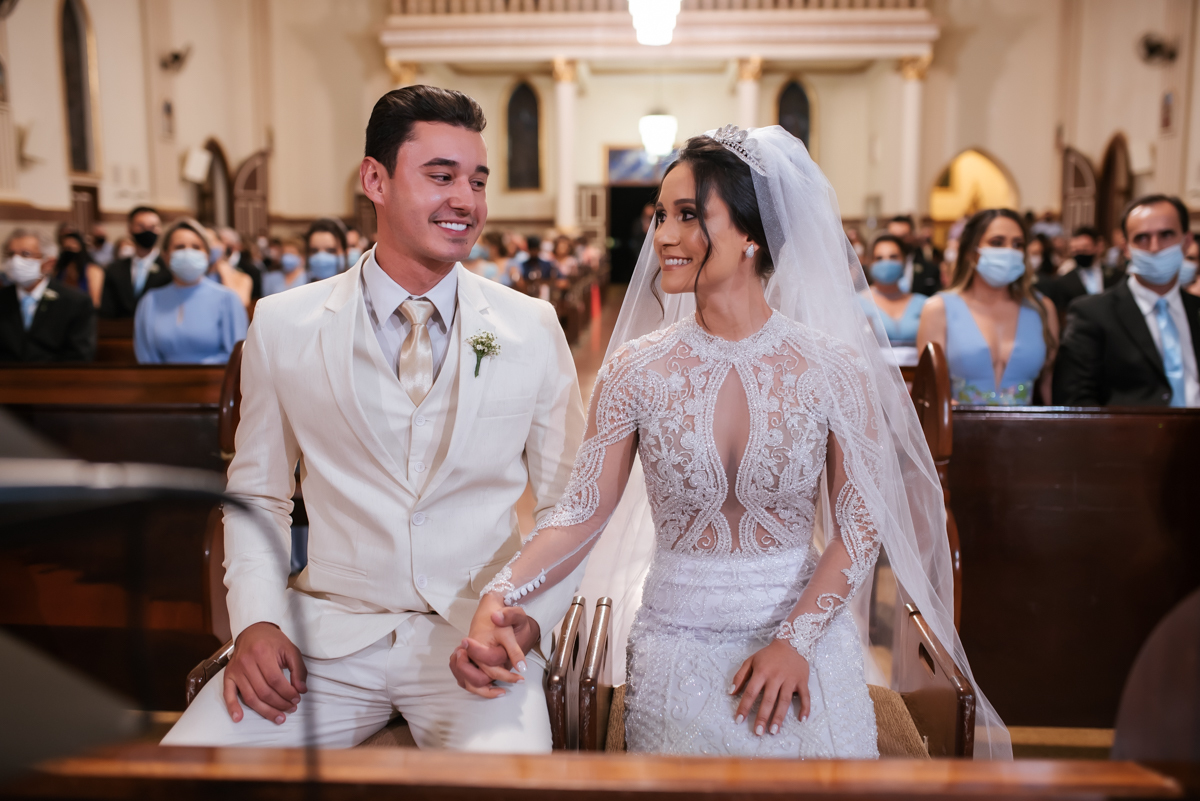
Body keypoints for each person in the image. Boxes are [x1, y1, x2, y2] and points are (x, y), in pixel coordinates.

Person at [453, 125, 1010, 759]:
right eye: (660, 215)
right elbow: (583, 511)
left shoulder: (833, 369)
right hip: (676, 639)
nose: (663, 235)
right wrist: (503, 591)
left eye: (690, 216)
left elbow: (858, 526)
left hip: (805, 629)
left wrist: (795, 642)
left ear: (750, 233)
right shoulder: (635, 368)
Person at [161, 85, 585, 752]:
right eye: (441, 176)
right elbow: (258, 495)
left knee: (508, 789)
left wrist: (527, 620)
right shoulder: (283, 324)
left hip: (473, 640)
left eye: (477, 180)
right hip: (326, 641)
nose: (467, 201)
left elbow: (570, 505)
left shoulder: (530, 327)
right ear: (375, 180)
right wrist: (258, 623)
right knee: (182, 768)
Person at [1054, 195, 1200, 407]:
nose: (1154, 247)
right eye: (1142, 238)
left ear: (1186, 242)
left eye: (1166, 235)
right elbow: (1075, 402)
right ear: (1126, 249)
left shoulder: (1195, 309)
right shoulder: (1092, 314)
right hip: (1128, 437)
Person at [917, 209, 1058, 405]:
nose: (1009, 251)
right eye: (997, 243)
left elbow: (1049, 386)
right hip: (959, 430)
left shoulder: (1042, 308)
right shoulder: (938, 309)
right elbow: (928, 390)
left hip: (1028, 431)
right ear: (970, 252)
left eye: (1018, 244)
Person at [134, 218, 247, 364]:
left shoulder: (227, 299)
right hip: (160, 383)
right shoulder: (150, 301)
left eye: (196, 247)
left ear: (207, 254)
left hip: (214, 382)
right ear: (166, 256)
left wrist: (198, 373)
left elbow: (236, 354)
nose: (188, 252)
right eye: (180, 247)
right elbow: (146, 354)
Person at [0, 229, 96, 362]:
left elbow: (79, 355)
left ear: (49, 262)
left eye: (25, 254)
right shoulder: (3, 299)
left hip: (56, 379)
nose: (15, 261)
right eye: (11, 255)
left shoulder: (75, 302)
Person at [100, 206, 172, 318]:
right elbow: (107, 310)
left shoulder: (169, 268)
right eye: (141, 226)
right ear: (130, 229)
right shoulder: (115, 269)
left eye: (153, 227)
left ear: (160, 229)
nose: (148, 231)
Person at [1044, 226, 1123, 320]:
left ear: (1097, 247)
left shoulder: (1116, 275)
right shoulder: (1063, 281)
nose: (1080, 253)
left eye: (1085, 248)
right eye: (1075, 250)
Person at [864, 234, 927, 346]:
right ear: (870, 263)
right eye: (879, 258)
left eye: (893, 257)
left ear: (904, 260)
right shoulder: (855, 304)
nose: (886, 263)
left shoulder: (923, 304)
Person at [885, 215, 940, 296]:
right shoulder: (879, 268)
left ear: (912, 236)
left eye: (903, 237)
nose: (899, 242)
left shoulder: (930, 270)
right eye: (894, 238)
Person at [53, 225, 106, 308]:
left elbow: (95, 302)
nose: (69, 252)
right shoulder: (59, 270)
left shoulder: (93, 270)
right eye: (66, 248)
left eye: (72, 248)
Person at [218, 227, 264, 301]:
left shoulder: (251, 270)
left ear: (235, 245)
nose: (221, 246)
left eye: (224, 241)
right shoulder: (211, 267)